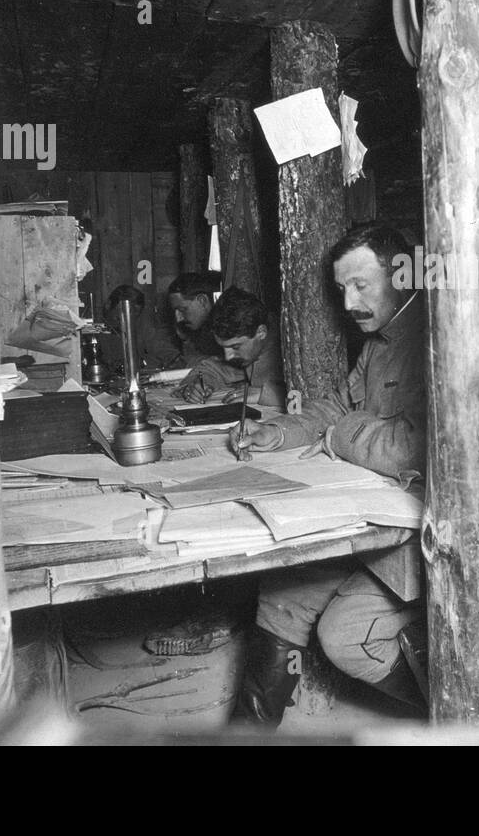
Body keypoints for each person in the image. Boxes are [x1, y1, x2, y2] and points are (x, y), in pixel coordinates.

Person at [230, 222, 428, 727]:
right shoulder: (380, 339)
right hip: (375, 509)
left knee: (343, 635)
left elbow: (416, 445)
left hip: (425, 528)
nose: (349, 302)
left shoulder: (436, 338)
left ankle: (453, 708)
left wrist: (341, 437)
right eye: (342, 288)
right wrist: (280, 432)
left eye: (361, 285)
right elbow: (339, 404)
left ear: (403, 274)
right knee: (282, 596)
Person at [174, 285, 286, 407]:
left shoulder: (291, 345)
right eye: (223, 348)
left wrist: (264, 395)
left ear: (261, 332)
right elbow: (212, 369)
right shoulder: (251, 348)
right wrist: (197, 386)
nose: (228, 357)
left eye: (236, 347)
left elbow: (308, 399)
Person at [99, 284, 181, 371]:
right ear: (108, 305)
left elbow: (169, 354)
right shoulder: (90, 326)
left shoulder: (142, 325)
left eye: (132, 318)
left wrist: (143, 362)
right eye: (119, 318)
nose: (125, 324)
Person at [166, 271, 224, 365]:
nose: (178, 318)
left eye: (182, 309)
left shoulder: (225, 328)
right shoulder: (198, 330)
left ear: (202, 301)